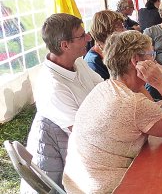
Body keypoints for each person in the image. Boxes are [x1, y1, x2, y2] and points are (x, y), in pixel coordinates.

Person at [63, 30, 162, 193]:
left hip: (77, 185)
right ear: (136, 60)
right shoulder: (133, 103)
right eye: (151, 54)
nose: (154, 59)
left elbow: (149, 110)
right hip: (112, 189)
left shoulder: (105, 87)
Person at [23, 13, 103, 190]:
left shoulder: (78, 62)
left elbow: (104, 91)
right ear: (65, 45)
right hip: (70, 166)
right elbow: (85, 135)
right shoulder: (53, 86)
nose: (88, 38)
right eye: (82, 36)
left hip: (87, 144)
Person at [84, 10, 126, 79]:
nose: (124, 30)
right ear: (106, 30)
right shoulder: (93, 62)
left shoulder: (115, 49)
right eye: (120, 26)